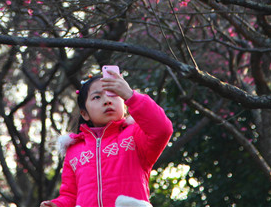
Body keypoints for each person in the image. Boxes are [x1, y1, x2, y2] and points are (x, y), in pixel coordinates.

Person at [40, 69, 173, 207]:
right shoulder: (74, 150)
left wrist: (131, 95)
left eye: (114, 94)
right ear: (84, 113)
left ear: (124, 104)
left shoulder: (136, 135)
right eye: (97, 97)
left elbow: (163, 129)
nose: (107, 101)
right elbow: (70, 196)